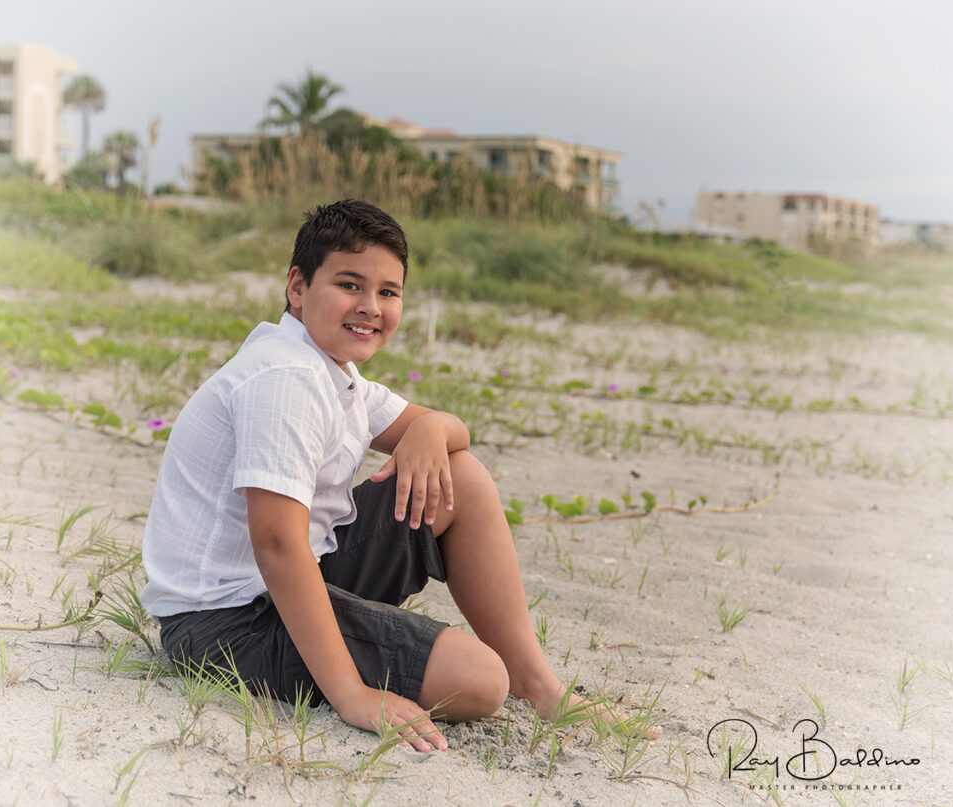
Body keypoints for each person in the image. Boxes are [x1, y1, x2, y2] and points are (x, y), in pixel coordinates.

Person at [140, 199, 658, 752]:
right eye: (349, 284)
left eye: (388, 292)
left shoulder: (334, 371)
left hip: (291, 579)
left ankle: (539, 686)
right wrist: (351, 695)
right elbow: (277, 544)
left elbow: (449, 429)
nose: (370, 307)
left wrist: (429, 431)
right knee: (480, 682)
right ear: (298, 287)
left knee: (463, 477)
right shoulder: (284, 380)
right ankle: (476, 679)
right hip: (224, 625)